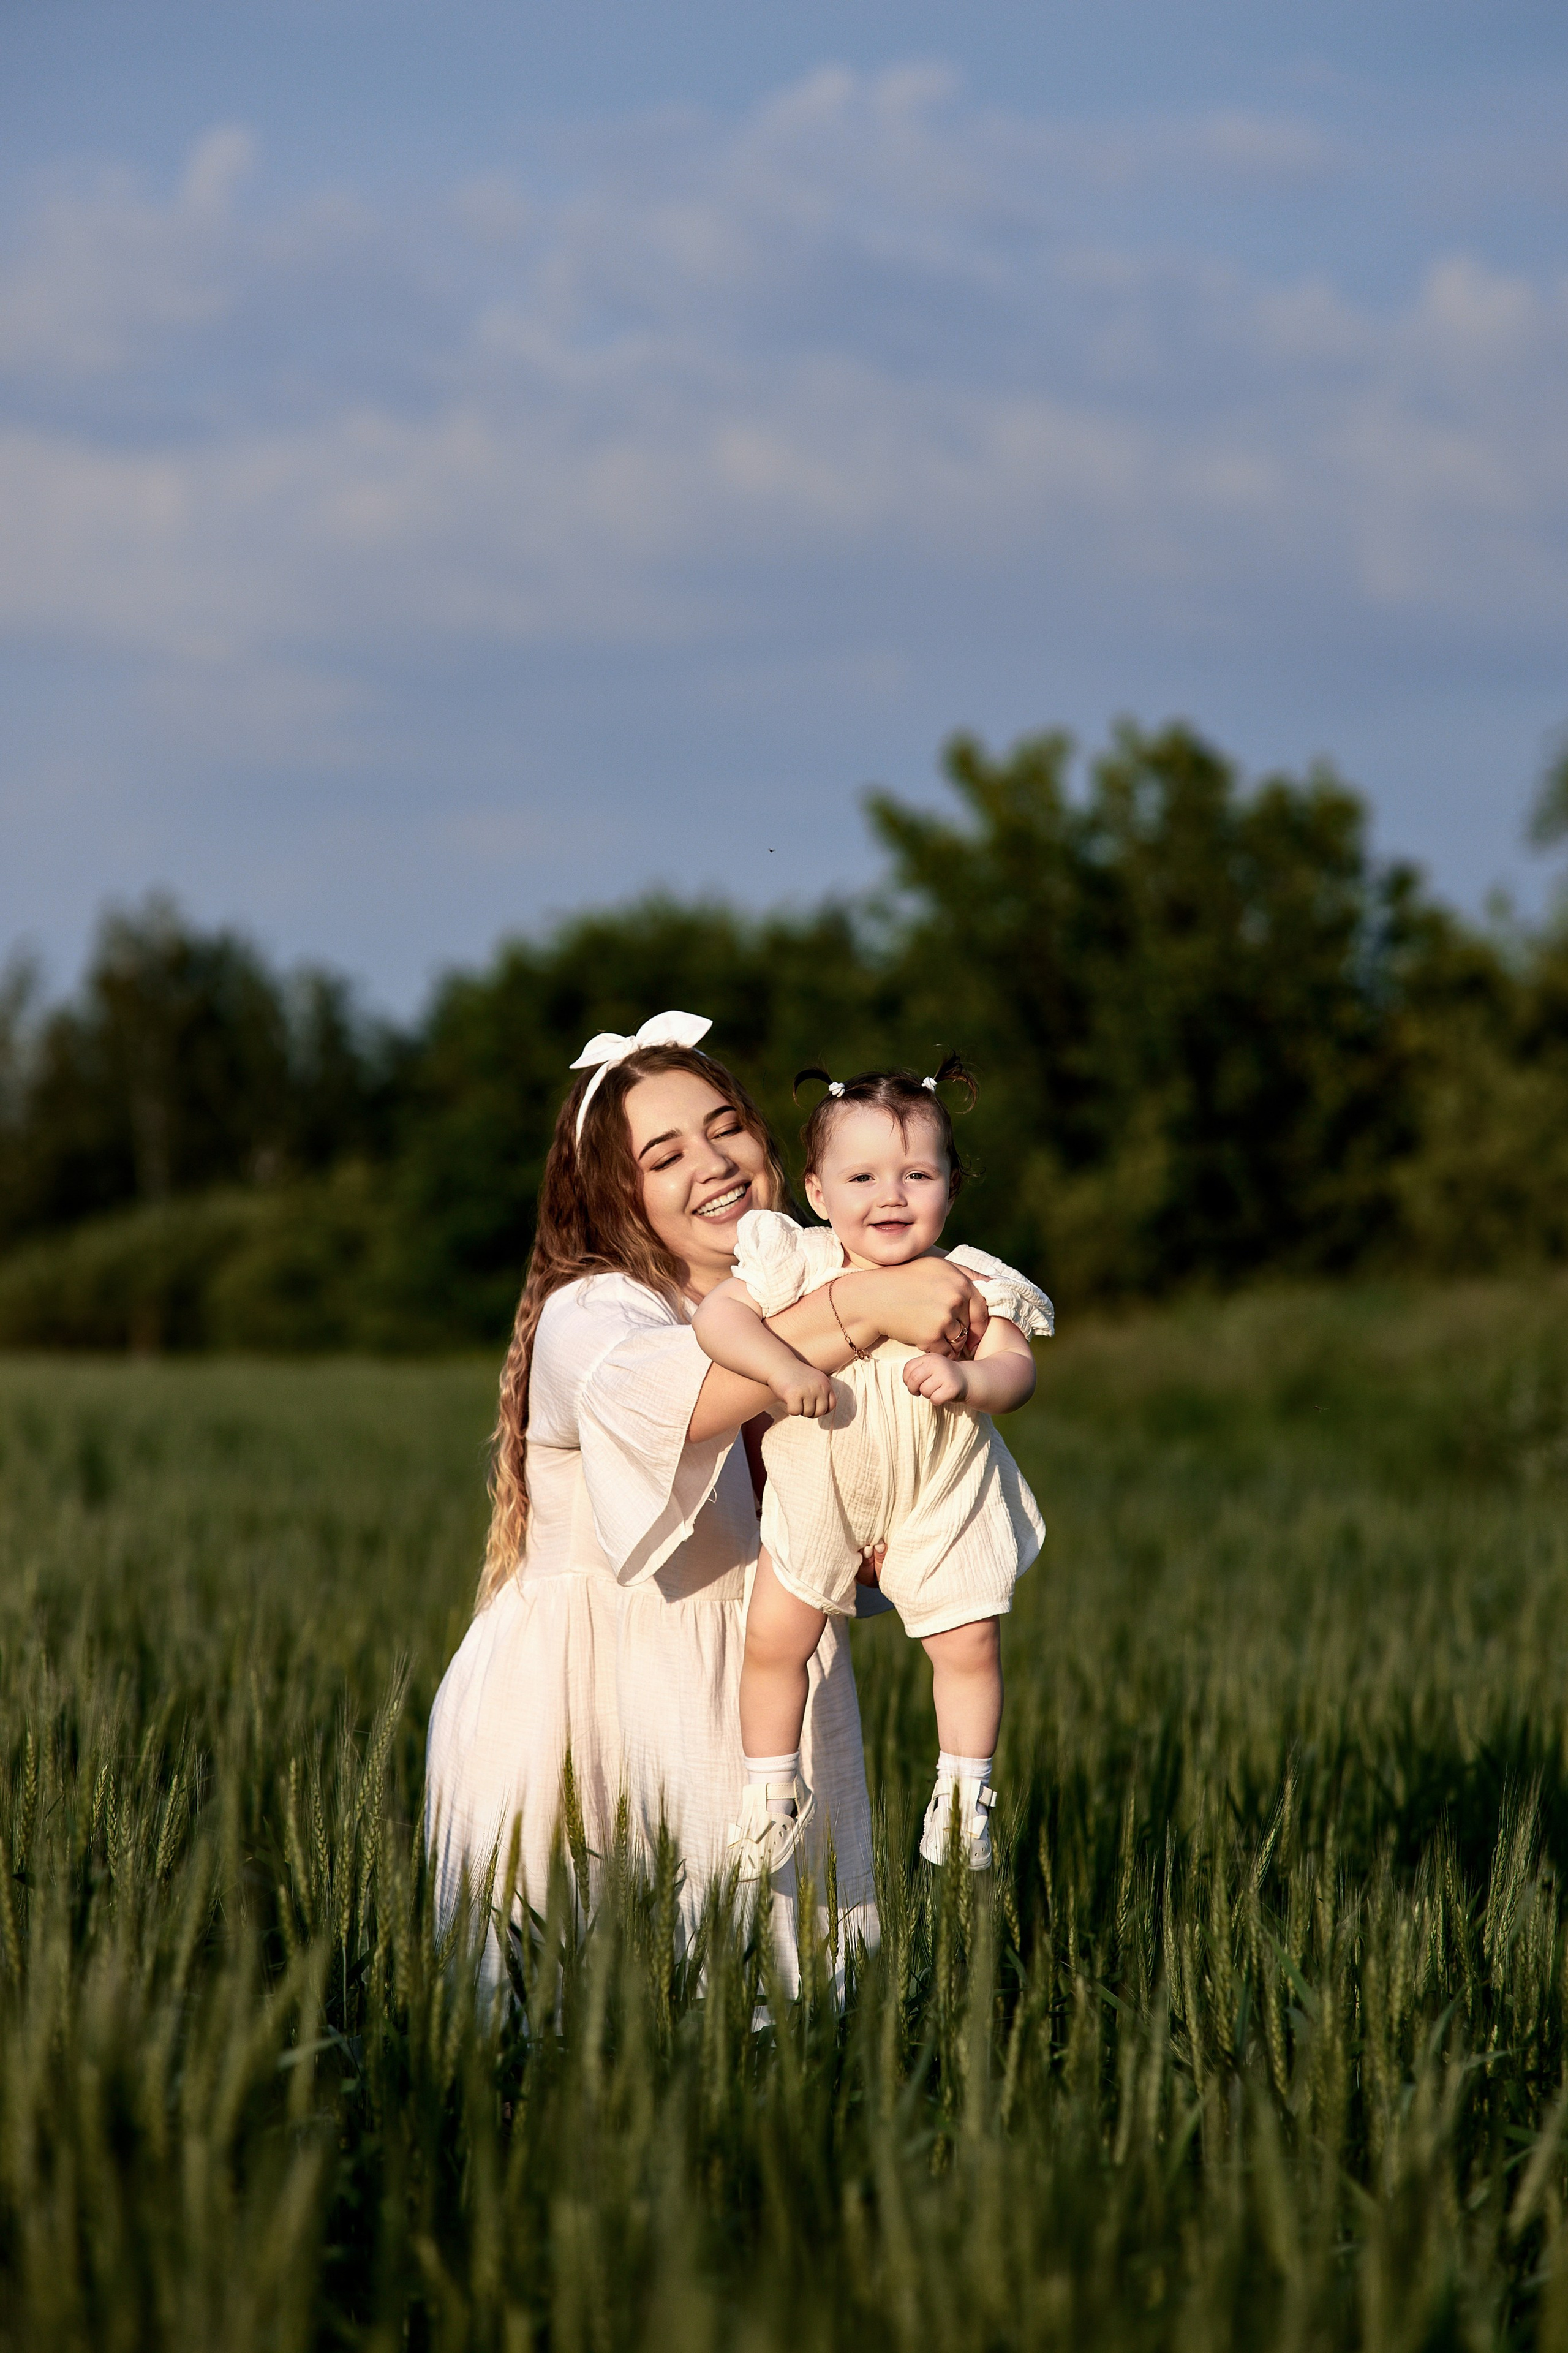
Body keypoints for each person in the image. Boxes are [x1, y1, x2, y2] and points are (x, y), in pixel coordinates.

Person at [423, 1013, 990, 2000]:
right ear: (615, 1194)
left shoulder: (799, 1296)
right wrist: (871, 1309)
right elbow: (691, 1391)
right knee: (562, 2017)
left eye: (727, 1125)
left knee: (776, 2014)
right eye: (665, 1153)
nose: (715, 1161)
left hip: (757, 1695)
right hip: (584, 1707)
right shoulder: (591, 1312)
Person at [692, 1057, 1053, 1879]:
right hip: (821, 1488)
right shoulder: (801, 1266)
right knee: (775, 1641)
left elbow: (1018, 1368)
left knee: (970, 1643)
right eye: (862, 1176)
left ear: (951, 1190)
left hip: (938, 1494)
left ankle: (965, 1795)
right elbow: (721, 1318)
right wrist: (782, 1370)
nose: (889, 1195)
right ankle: (769, 1794)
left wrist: (971, 1379)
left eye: (916, 1174)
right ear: (817, 1192)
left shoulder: (973, 1281)